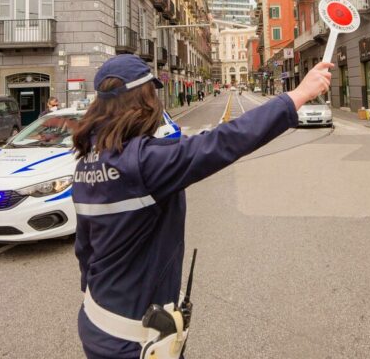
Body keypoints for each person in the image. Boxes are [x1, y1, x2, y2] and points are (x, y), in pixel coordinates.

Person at [72, 54, 332, 359]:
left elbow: (85, 248)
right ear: (142, 101)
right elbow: (225, 141)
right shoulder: (144, 163)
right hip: (133, 342)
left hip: (97, 322)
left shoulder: (86, 163)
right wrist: (297, 95)